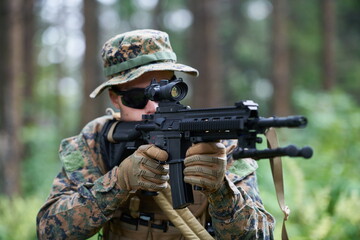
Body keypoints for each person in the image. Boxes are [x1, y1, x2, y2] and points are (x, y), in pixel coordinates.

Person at [37, 29, 275, 240]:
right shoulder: (97, 140)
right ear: (114, 98)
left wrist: (221, 191)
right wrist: (118, 182)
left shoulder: (216, 139)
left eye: (166, 91)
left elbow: (261, 236)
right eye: (139, 98)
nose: (153, 107)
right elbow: (49, 230)